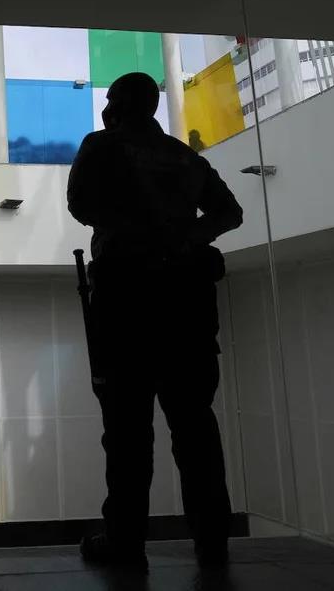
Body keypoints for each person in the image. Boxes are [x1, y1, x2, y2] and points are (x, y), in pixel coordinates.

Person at [66, 72, 243, 572]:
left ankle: (125, 542)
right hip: (186, 304)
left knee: (126, 433)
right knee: (196, 429)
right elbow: (229, 212)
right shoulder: (185, 157)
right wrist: (184, 237)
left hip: (128, 303)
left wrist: (139, 232)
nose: (105, 109)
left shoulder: (103, 145)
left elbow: (80, 203)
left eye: (109, 101)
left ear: (120, 104)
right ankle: (212, 541)